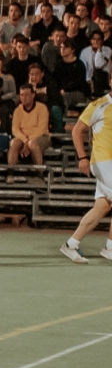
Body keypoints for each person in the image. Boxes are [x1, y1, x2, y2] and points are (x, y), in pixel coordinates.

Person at [61, 89, 112, 262]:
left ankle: (72, 244)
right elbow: (77, 131)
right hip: (103, 161)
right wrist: (82, 157)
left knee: (102, 206)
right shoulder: (99, 105)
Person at [8, 82, 50, 165]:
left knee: (33, 144)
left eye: (26, 95)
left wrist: (28, 141)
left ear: (33, 95)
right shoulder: (17, 110)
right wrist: (25, 140)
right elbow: (15, 129)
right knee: (14, 143)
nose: (24, 98)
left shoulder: (42, 108)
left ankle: (39, 171)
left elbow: (41, 129)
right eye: (21, 95)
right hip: (23, 137)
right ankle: (11, 170)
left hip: (41, 136)